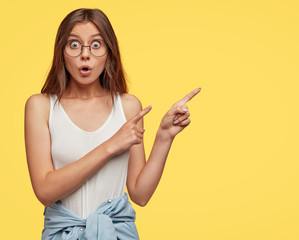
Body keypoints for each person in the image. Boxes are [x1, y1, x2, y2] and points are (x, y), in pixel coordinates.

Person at [24, 8, 201, 239]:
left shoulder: (128, 106)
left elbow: (140, 194)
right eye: (74, 44)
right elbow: (45, 192)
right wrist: (111, 146)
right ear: (61, 51)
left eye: (96, 45)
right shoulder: (41, 106)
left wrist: (164, 136)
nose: (85, 55)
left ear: (109, 51)